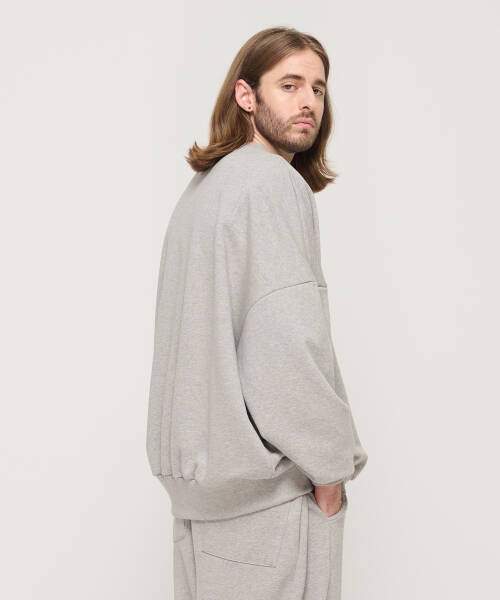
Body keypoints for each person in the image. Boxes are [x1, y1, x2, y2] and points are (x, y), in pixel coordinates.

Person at [145, 26, 368, 600]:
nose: (307, 102)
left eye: (317, 88)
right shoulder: (271, 182)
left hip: (202, 505)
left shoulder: (203, 191)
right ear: (246, 96)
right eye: (288, 85)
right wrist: (330, 470)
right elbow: (285, 342)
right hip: (266, 510)